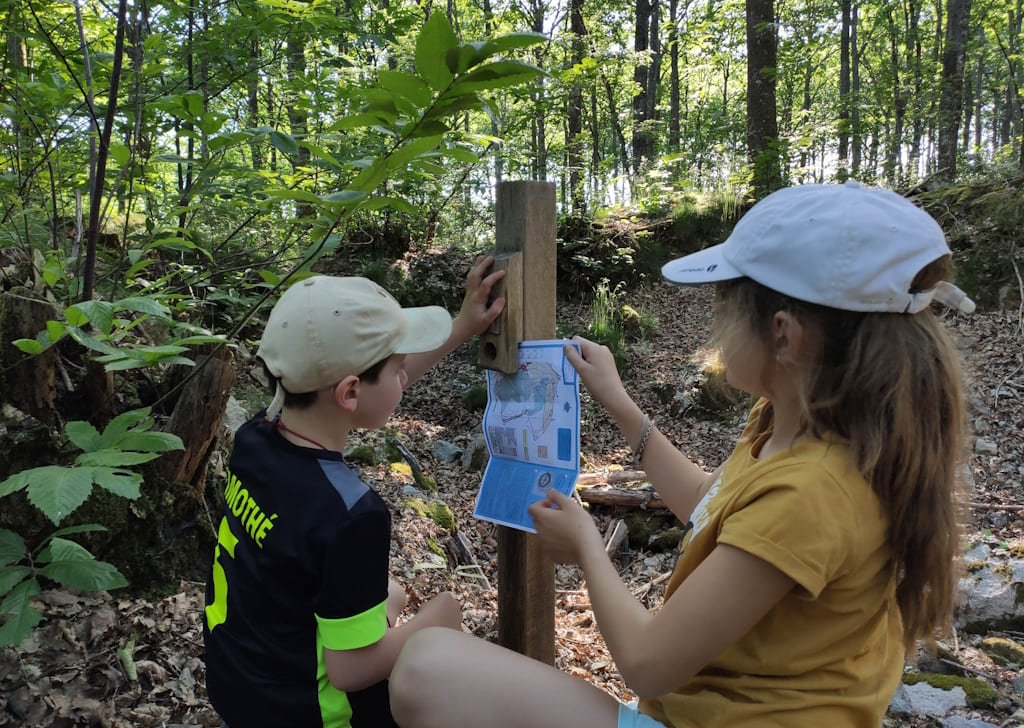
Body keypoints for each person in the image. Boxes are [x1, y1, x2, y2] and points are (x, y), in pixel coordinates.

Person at [388, 180, 972, 728]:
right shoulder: (789, 422)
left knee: (425, 668)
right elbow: (705, 500)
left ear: (785, 335)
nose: (713, 326)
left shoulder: (814, 494)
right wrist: (619, 404)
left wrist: (588, 547)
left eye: (723, 305)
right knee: (431, 663)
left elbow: (646, 663)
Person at [203, 257, 506, 728]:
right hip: (312, 713)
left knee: (391, 594)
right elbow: (350, 671)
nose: (405, 377)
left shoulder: (255, 439)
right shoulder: (352, 514)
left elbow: (374, 386)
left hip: (243, 690)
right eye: (399, 368)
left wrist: (464, 325)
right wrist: (442, 616)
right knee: (436, 647)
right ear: (348, 393)